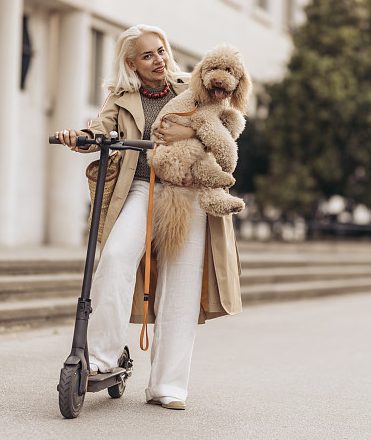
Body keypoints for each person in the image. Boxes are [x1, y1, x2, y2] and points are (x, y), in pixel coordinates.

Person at [54, 25, 242, 410]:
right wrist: (79, 138)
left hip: (187, 189)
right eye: (147, 55)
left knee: (182, 282)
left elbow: (225, 122)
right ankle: (102, 359)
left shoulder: (190, 86)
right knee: (117, 257)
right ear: (131, 63)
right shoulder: (120, 97)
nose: (158, 60)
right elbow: (99, 131)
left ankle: (168, 386)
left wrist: (194, 146)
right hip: (141, 187)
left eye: (161, 51)